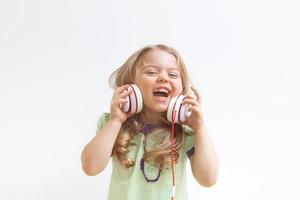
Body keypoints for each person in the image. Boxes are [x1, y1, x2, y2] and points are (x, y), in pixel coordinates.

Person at [81, 44, 219, 200]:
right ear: (131, 85)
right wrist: (115, 120)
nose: (163, 78)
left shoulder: (184, 133)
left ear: (181, 90)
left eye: (173, 75)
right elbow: (90, 167)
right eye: (151, 72)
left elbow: (208, 179)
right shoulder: (113, 125)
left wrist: (199, 128)